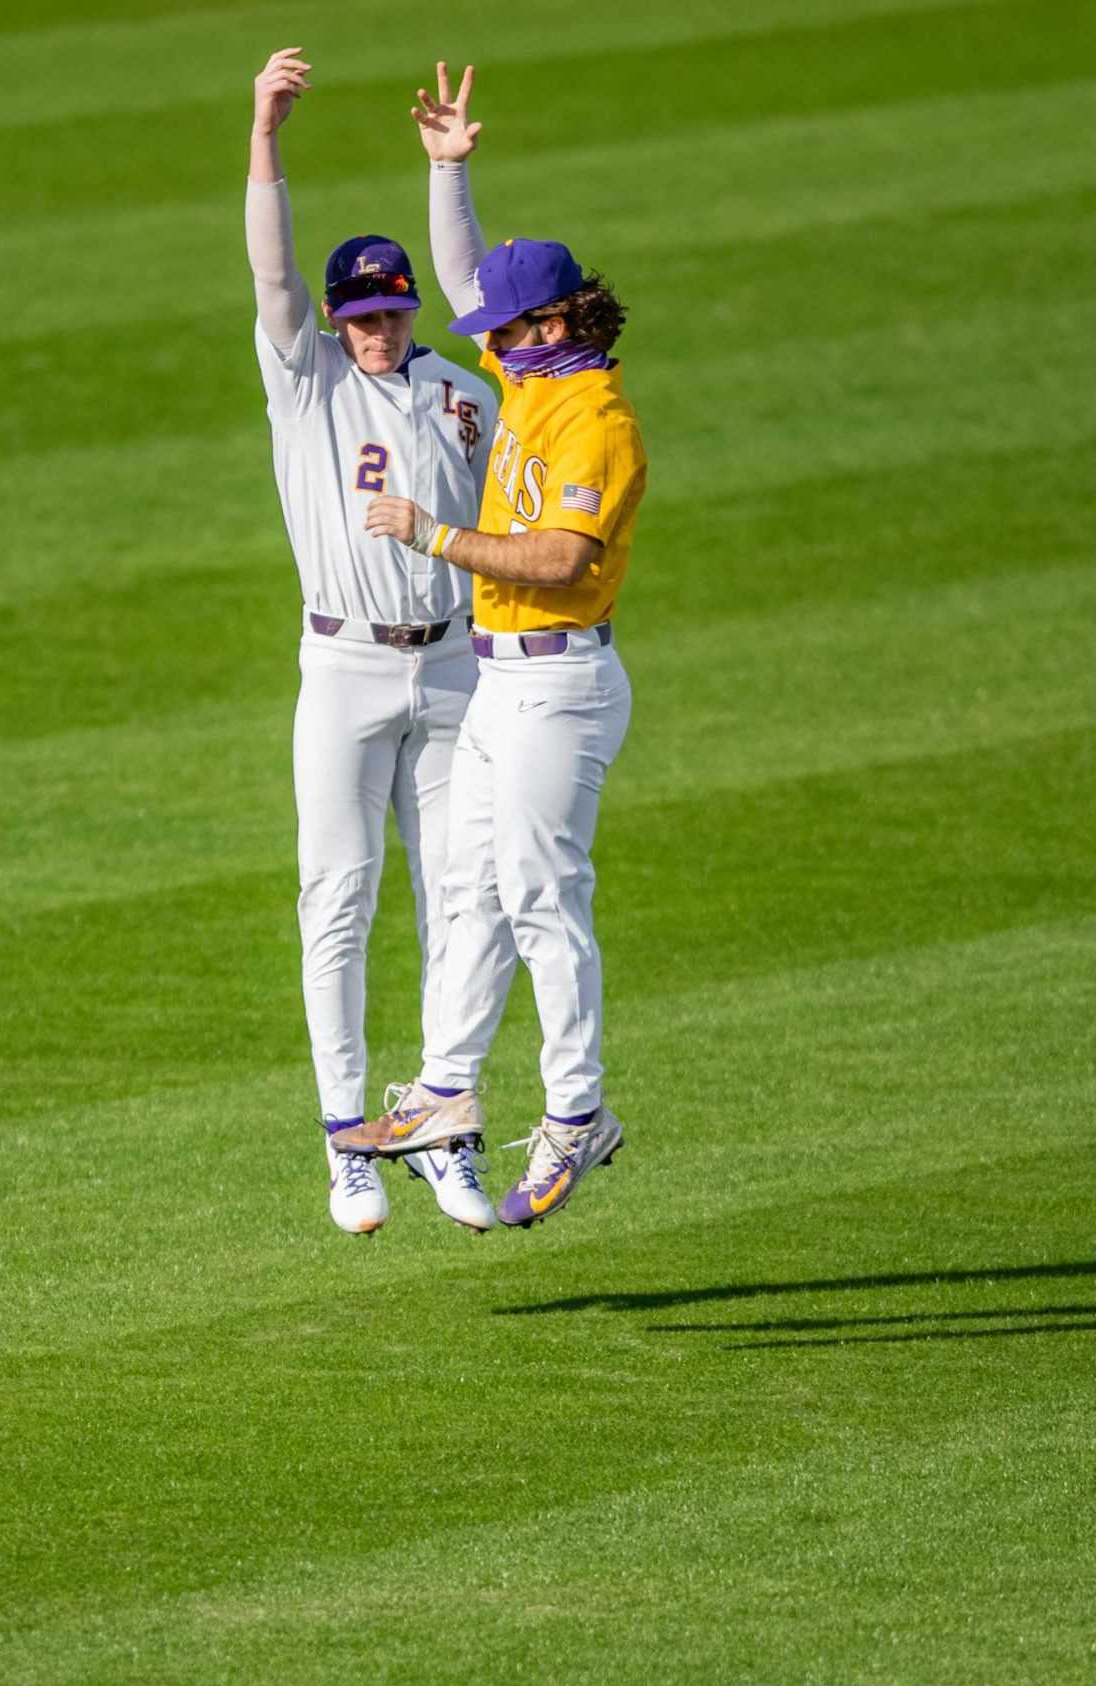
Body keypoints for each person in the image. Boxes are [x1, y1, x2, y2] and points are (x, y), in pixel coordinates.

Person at [348, 63, 647, 1231]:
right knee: (466, 886)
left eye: (511, 328)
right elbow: (474, 277)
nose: (492, 342)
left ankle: (577, 1111)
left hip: (560, 682)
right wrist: (447, 168)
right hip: (500, 685)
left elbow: (561, 561)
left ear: (563, 319)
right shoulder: (533, 377)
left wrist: (438, 536)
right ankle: (444, 1089)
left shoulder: (594, 417)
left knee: (540, 894)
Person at [244, 48, 502, 1237]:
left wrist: (447, 173)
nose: (374, 332)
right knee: (335, 897)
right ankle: (347, 1141)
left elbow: (486, 308)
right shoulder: (304, 381)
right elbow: (274, 276)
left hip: (452, 660)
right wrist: (266, 138)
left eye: (388, 312)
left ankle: (439, 1127)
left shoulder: (465, 393)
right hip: (344, 666)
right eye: (359, 318)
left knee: (460, 898)